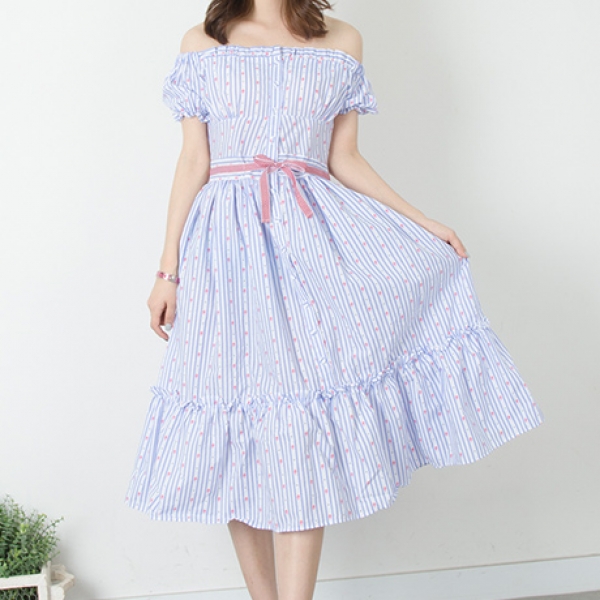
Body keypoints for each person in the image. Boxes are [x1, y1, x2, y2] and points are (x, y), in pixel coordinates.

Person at [124, 2, 545, 599]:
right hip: (225, 248)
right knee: (234, 415)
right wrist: (167, 270)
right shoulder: (202, 41)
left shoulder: (342, 40)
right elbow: (195, 159)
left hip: (311, 240)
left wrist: (421, 221)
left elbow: (342, 157)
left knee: (302, 427)